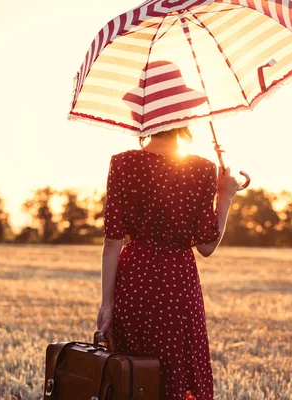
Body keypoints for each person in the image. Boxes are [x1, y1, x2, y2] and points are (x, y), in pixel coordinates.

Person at [96, 126, 239, 400]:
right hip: (179, 282)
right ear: (184, 118)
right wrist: (226, 196)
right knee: (177, 370)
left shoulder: (122, 163)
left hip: (133, 281)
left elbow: (112, 243)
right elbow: (207, 246)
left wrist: (107, 304)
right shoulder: (202, 169)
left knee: (134, 376)